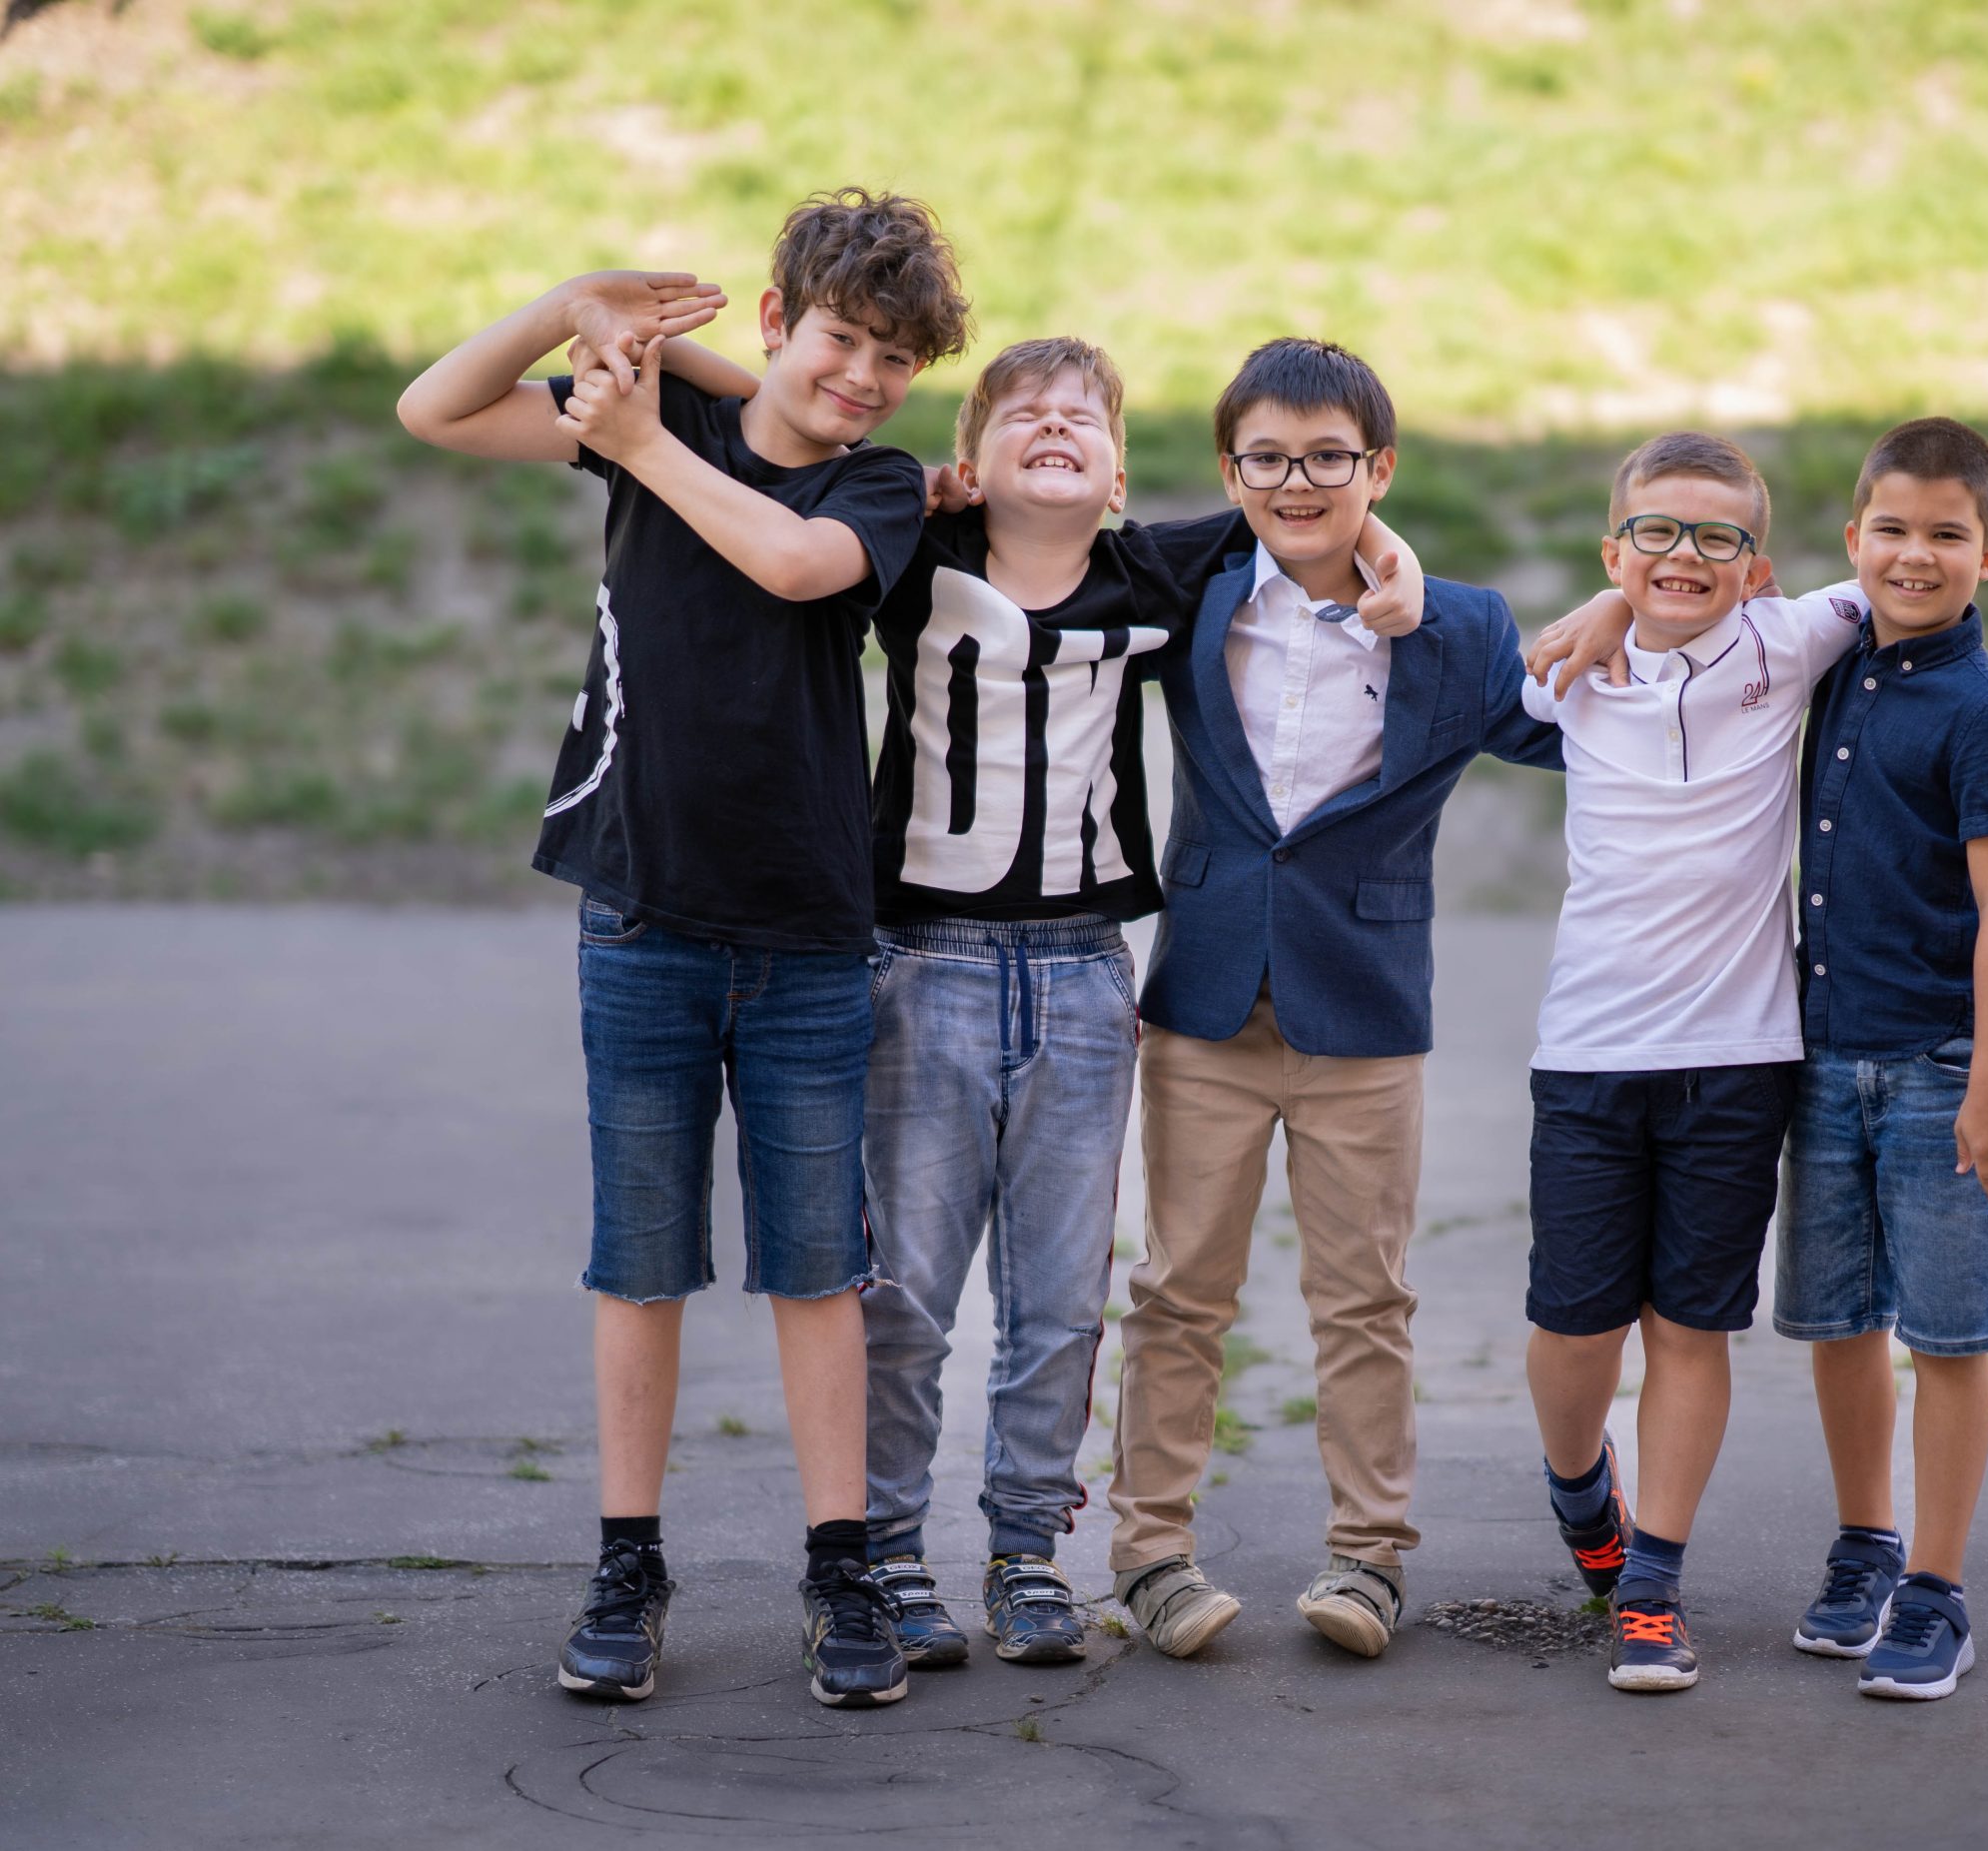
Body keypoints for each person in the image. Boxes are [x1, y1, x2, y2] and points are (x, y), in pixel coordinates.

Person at [647, 334, 1423, 1671]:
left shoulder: (1156, 571)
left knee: (1060, 1300)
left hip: (1081, 975)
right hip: (923, 964)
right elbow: (809, 452)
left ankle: (1025, 1550)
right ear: (966, 463)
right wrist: (898, 475)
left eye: (1082, 416)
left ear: (1119, 475)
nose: (1054, 424)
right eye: (1021, 413)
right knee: (905, 1293)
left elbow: (1306, 508)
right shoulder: (913, 555)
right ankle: (888, 1550)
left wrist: (1388, 544)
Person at [393, 187, 970, 1711]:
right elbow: (434, 408)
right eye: (841, 339)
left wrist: (642, 434)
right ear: (777, 318)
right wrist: (570, 302)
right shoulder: (665, 416)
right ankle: (626, 1562)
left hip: (807, 932)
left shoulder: (876, 483)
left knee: (817, 1267)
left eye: (895, 359)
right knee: (640, 1261)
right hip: (640, 912)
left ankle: (840, 1565)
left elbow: (792, 565)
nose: (864, 377)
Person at [1108, 338, 1562, 1662]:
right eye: (1266, 458)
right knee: (1178, 1290)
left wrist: (1623, 627)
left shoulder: (1460, 628)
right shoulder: (1191, 590)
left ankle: (1368, 1558)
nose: (1295, 482)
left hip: (1362, 1009)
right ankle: (1149, 1553)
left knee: (1365, 1299)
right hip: (1204, 1001)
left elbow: (1587, 727)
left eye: (1327, 458)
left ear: (1382, 467)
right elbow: (1058, 557)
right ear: (1229, 470)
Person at [1515, 433, 1866, 1693]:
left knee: (1689, 1324)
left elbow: (1916, 574)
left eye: (1718, 537)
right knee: (1573, 1327)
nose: (1684, 555)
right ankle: (1579, 1485)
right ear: (1612, 550)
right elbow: (1413, 617)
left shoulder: (1792, 636)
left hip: (1739, 1053)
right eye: (1654, 532)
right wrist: (1603, 607)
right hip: (1590, 1050)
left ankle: (1653, 1585)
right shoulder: (1563, 672)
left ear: (1757, 567)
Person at [1774, 416, 1988, 1700]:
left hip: (1940, 1069)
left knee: (1946, 1334)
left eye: (1946, 533)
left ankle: (1936, 1589)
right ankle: (1866, 1542)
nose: (1915, 554)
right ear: (1852, 540)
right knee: (1839, 1322)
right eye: (1891, 529)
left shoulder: (1983, 711)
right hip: (1821, 1057)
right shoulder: (1836, 664)